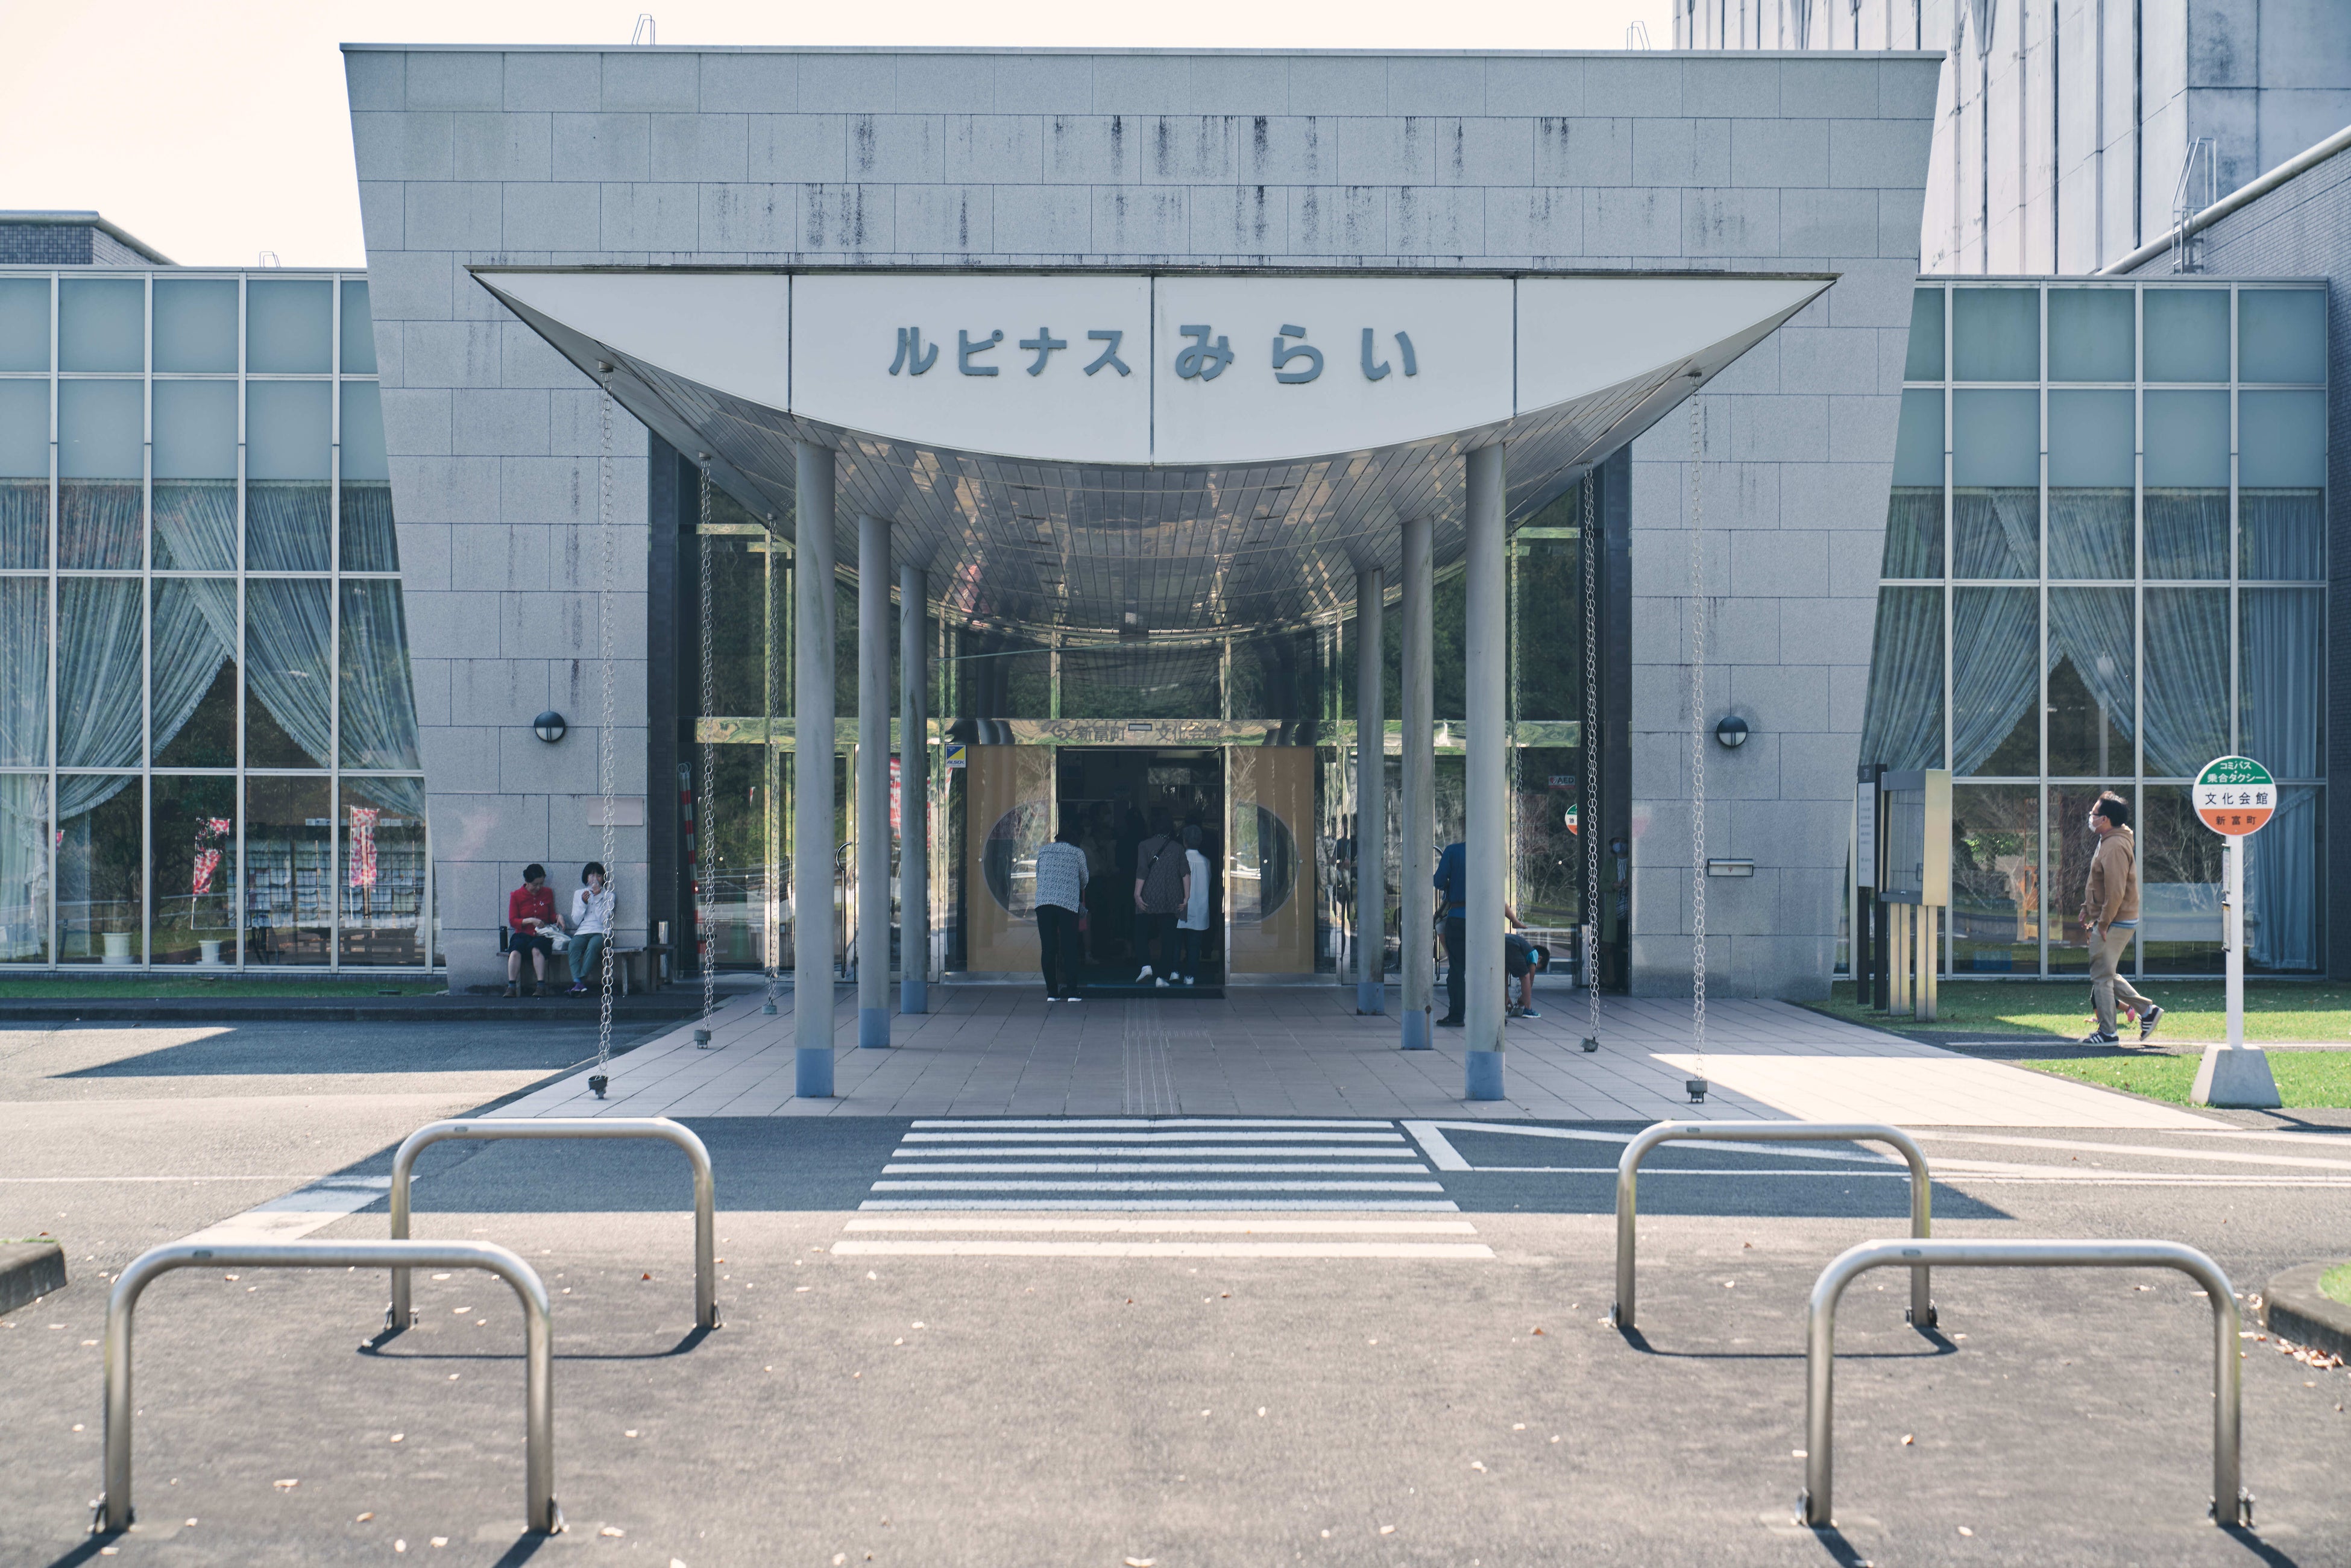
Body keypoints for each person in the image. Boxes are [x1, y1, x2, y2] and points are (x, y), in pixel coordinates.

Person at [2079, 791, 2161, 1044]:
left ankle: (2108, 1033)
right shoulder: (2109, 839)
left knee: (2101, 975)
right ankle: (2147, 1011)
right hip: (2114, 918)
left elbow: (2115, 892)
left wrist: (2103, 923)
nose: (2090, 817)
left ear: (2105, 819)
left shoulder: (2114, 846)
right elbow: (2099, 882)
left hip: (2115, 921)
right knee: (2106, 972)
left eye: (2094, 814)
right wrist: (2087, 907)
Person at [1132, 808, 1191, 985]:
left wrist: (1137, 893)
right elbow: (1185, 873)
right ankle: (1162, 977)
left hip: (1149, 894)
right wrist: (1186, 897)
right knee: (1169, 938)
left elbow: (1142, 871)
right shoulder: (1178, 848)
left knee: (1141, 931)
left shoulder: (1144, 845)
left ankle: (1146, 966)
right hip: (1172, 897)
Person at [1033, 820, 1089, 1002]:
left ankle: (1052, 993)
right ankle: (1072, 992)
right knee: (1069, 947)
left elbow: (1039, 875)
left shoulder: (1044, 851)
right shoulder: (1077, 853)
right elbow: (1085, 880)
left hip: (1043, 904)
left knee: (1048, 948)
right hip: (1067, 905)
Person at [506, 863, 556, 998]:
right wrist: (530, 920)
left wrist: (558, 917)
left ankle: (540, 986)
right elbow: (513, 920)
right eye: (535, 884)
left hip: (541, 934)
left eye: (541, 884)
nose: (538, 888)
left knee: (537, 949)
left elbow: (551, 915)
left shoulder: (547, 893)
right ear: (527, 882)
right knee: (515, 951)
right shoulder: (516, 895)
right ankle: (511, 986)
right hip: (523, 934)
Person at [566, 862, 614, 996]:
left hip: (602, 932)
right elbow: (576, 920)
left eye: (599, 876)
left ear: (604, 878)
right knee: (573, 946)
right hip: (583, 930)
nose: (595, 879)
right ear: (586, 878)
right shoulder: (579, 894)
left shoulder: (609, 895)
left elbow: (604, 920)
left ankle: (579, 982)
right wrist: (583, 903)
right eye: (592, 875)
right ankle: (578, 982)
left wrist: (598, 898)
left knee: (593, 947)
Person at [1174, 824, 1213, 984]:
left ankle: (1175, 971)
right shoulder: (1206, 862)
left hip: (1180, 907)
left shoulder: (1178, 860)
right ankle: (1190, 976)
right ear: (1200, 841)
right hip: (1200, 907)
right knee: (1194, 944)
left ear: (1184, 841)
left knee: (1176, 942)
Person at [1434, 839, 1467, 1025]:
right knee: (1486, 967)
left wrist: (1451, 882)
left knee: (1457, 969)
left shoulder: (1453, 851)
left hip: (1459, 916)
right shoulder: (1492, 850)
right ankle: (1493, 1014)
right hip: (1485, 921)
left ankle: (1456, 1015)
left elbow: (1438, 881)